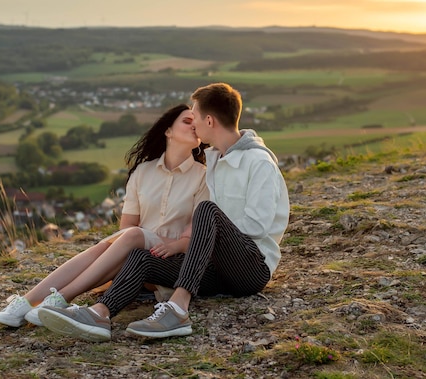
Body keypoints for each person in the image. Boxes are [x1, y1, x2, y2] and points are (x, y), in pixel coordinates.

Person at [37, 82, 290, 342]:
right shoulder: (215, 160)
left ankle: (178, 310)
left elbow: (258, 226)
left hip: (250, 269)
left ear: (210, 121)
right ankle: (99, 314)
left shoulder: (258, 162)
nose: (195, 125)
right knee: (141, 256)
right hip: (214, 270)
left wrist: (206, 229)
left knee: (207, 210)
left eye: (196, 116)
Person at [0, 104, 209, 327]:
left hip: (172, 261)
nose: (194, 125)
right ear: (168, 131)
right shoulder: (142, 172)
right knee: (109, 245)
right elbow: (124, 231)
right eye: (186, 121)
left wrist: (171, 246)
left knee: (133, 236)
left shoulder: (203, 177)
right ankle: (27, 302)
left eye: (197, 122)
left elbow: (197, 238)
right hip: (134, 258)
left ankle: (59, 299)